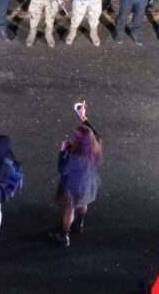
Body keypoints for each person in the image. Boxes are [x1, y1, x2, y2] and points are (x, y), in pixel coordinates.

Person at [50, 103, 101, 246]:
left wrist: (62, 152)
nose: (73, 138)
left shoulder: (75, 156)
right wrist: (83, 117)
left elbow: (62, 169)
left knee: (69, 209)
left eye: (75, 137)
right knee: (83, 203)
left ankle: (64, 234)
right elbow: (94, 132)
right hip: (88, 183)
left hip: (73, 187)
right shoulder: (95, 146)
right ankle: (79, 223)